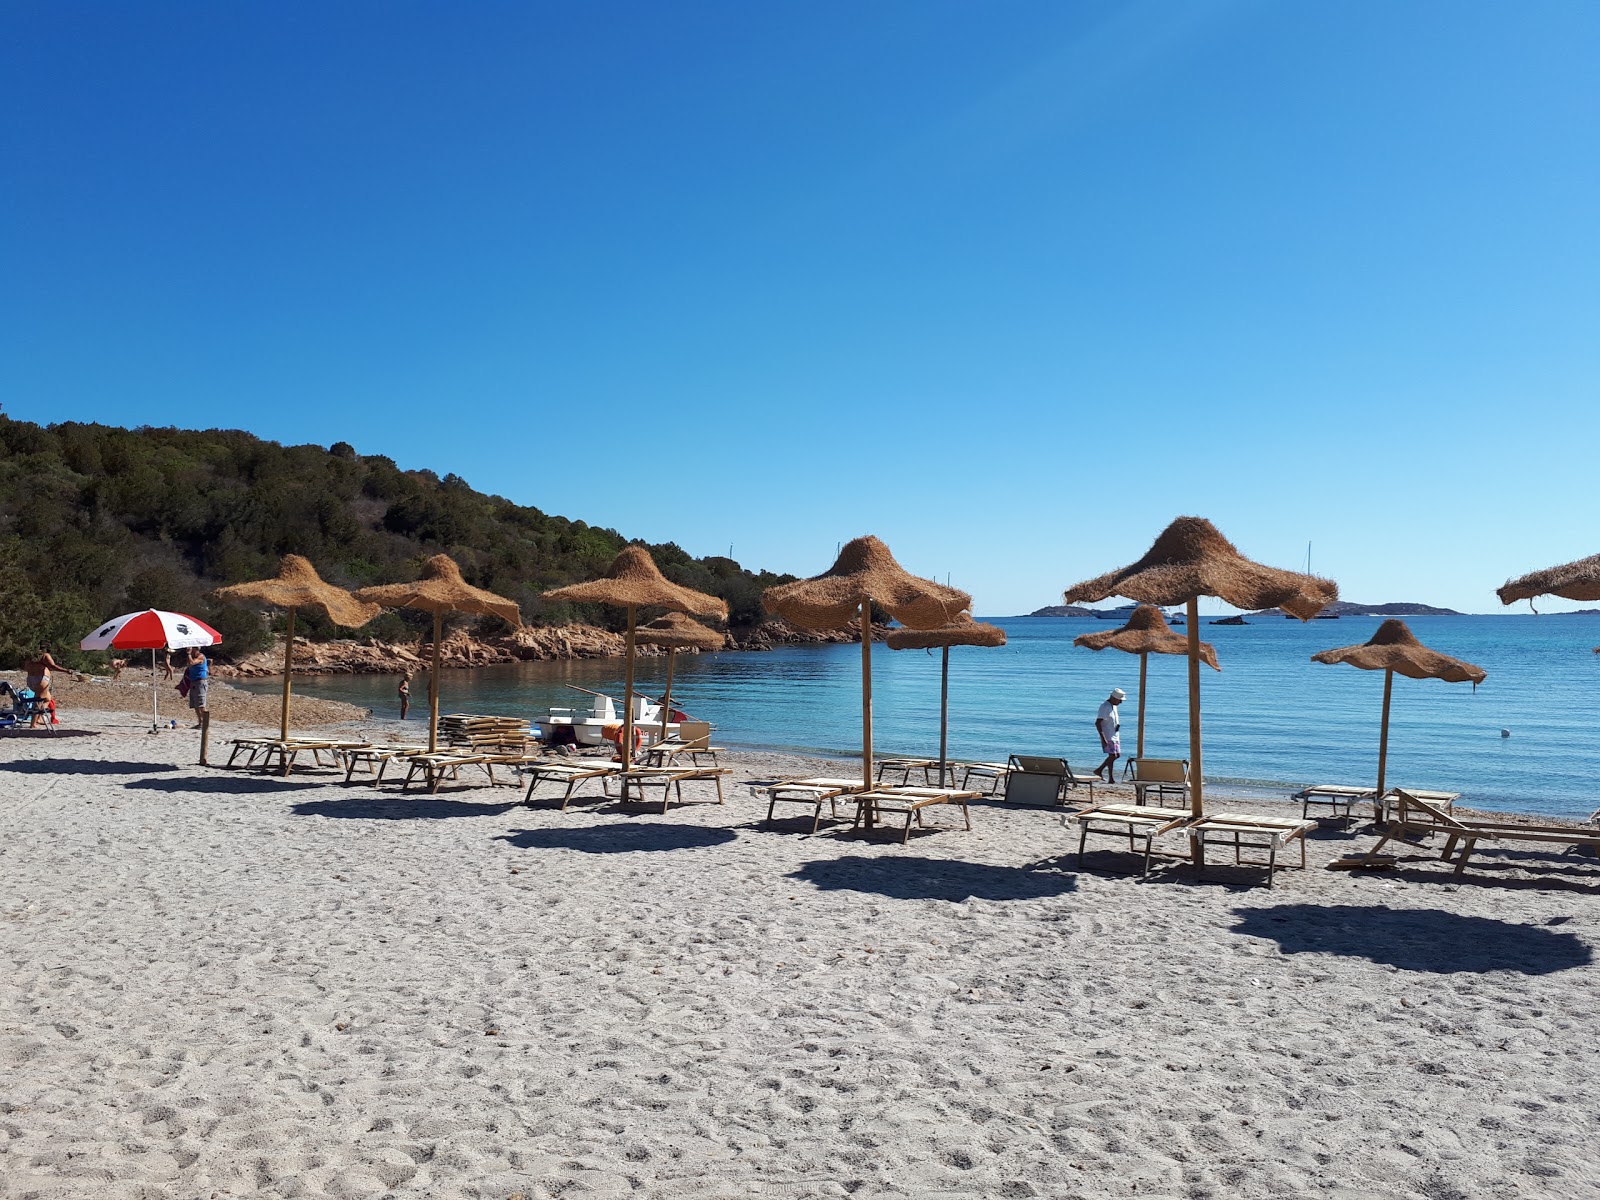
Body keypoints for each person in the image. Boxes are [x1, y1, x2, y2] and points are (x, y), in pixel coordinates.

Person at [22, 648, 62, 728]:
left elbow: (25, 668)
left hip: (30, 679)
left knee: (47, 699)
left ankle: (39, 718)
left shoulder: (30, 656)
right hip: (41, 680)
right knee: (38, 701)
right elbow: (52, 666)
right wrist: (66, 671)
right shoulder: (45, 655)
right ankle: (33, 723)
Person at [1094, 687, 1126, 782]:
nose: (1120, 702)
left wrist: (1117, 725)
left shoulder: (1114, 706)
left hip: (1114, 734)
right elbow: (1098, 722)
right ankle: (1099, 770)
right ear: (1114, 698)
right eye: (1119, 700)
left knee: (1116, 755)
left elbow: (1112, 719)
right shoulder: (1105, 707)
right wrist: (1103, 737)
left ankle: (1110, 777)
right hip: (1108, 735)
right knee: (1113, 756)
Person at [184, 647, 210, 729]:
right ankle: (200, 722)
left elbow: (191, 663)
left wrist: (188, 654)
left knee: (201, 704)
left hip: (200, 682)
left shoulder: (201, 656)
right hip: (194, 682)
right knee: (195, 704)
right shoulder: (193, 657)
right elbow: (189, 663)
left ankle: (205, 723)